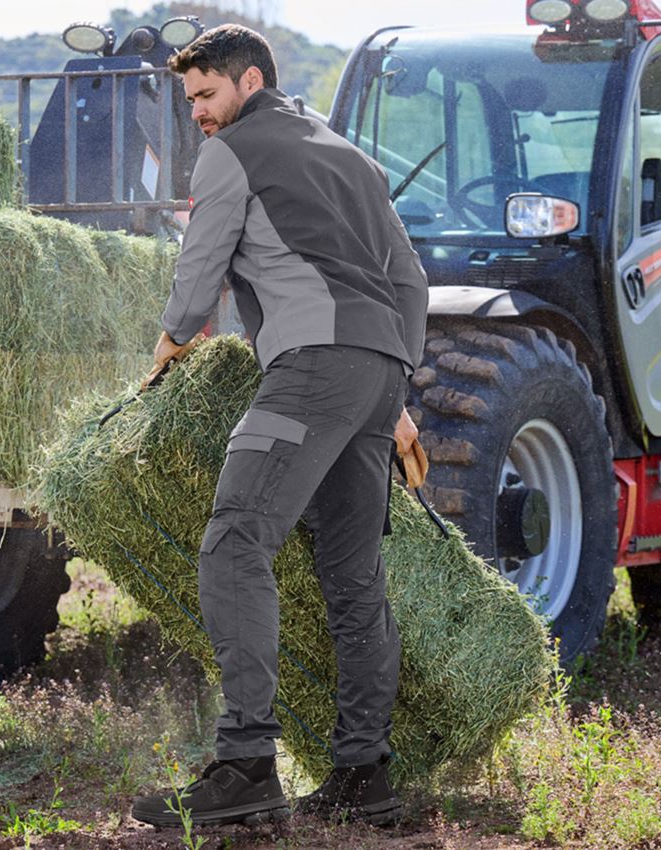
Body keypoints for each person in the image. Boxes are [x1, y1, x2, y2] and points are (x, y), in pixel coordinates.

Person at [131, 23, 429, 828]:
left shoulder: (233, 153)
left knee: (235, 542)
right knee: (353, 575)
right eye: (188, 98)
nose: (196, 112)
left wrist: (170, 340)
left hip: (312, 370)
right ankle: (364, 777)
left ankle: (245, 764)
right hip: (374, 379)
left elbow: (201, 261)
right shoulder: (351, 158)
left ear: (249, 81)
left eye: (205, 94)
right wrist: (395, 385)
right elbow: (408, 276)